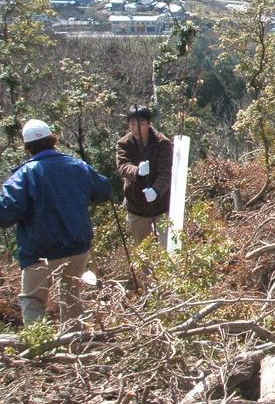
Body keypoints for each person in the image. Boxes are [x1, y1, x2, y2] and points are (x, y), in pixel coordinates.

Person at [0, 120, 111, 325]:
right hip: (77, 247)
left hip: (39, 252)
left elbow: (5, 213)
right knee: (71, 297)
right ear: (52, 140)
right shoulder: (77, 166)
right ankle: (75, 345)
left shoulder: (24, 175)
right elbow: (103, 189)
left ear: (27, 147)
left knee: (33, 300)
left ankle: (40, 350)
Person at [116, 104, 173, 247]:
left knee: (169, 247)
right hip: (136, 206)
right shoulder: (124, 144)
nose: (136, 129)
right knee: (143, 252)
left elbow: (166, 172)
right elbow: (123, 166)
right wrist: (137, 171)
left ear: (148, 124)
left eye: (141, 124)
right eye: (132, 124)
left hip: (162, 206)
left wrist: (156, 190)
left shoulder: (162, 143)